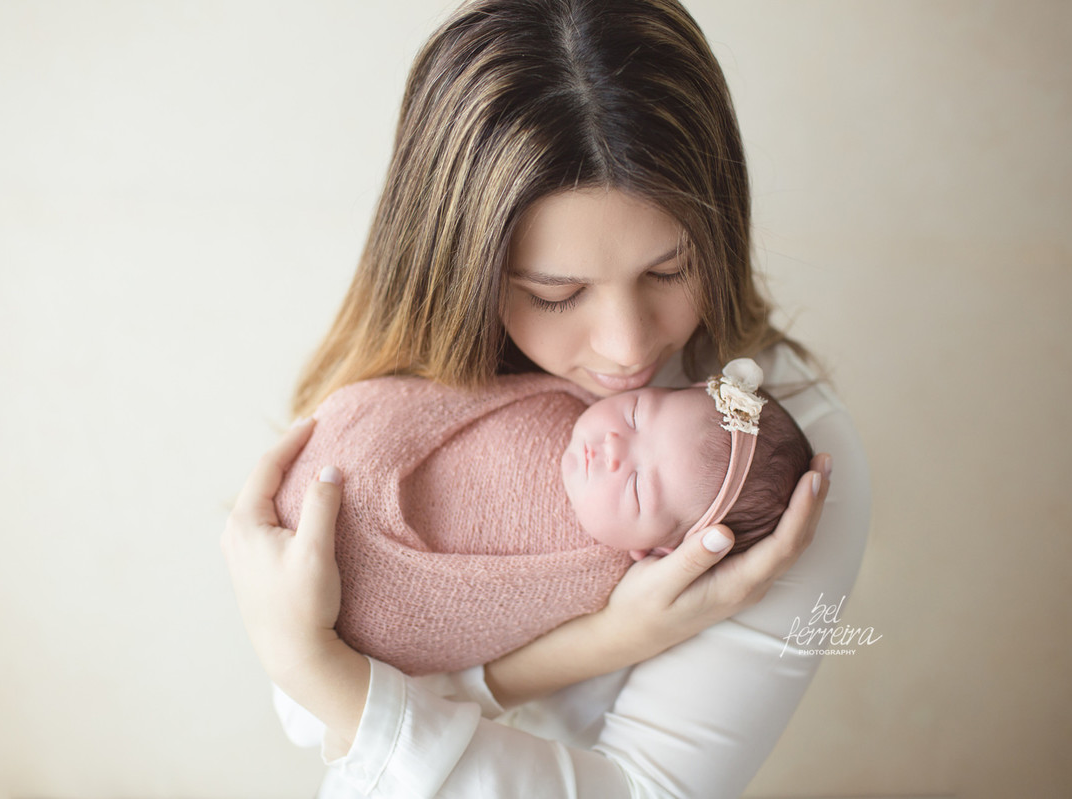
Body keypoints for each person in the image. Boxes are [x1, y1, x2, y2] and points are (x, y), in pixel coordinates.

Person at [220, 0, 871, 796]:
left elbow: (648, 791)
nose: (627, 347)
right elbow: (314, 706)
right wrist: (600, 642)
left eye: (670, 269)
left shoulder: (775, 475)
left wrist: (315, 666)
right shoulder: (421, 388)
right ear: (463, 271)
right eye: (557, 295)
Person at [270, 358, 812, 677]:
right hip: (326, 469)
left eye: (637, 487)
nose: (614, 447)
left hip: (326, 597)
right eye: (636, 414)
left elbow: (452, 619)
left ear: (661, 553)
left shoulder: (597, 582)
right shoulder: (562, 395)